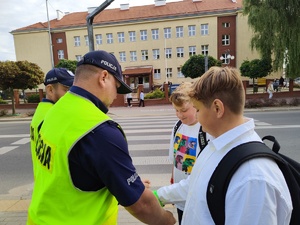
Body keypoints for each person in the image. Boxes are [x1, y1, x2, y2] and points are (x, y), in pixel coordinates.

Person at [27, 50, 176, 225]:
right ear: (103, 77)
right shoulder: (99, 130)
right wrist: (168, 219)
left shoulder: (53, 112)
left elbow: (71, 171)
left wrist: (120, 181)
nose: (116, 95)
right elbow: (141, 205)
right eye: (117, 87)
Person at [156, 67, 292, 224]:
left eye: (198, 109)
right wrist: (158, 195)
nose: (198, 118)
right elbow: (194, 186)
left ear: (217, 108)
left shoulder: (252, 179)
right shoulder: (217, 145)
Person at [167, 82, 212, 224]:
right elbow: (174, 159)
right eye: (176, 110)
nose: (179, 115)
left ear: (195, 105)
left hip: (198, 198)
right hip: (180, 196)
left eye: (184, 110)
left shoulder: (205, 130)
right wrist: (173, 182)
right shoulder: (178, 126)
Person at [29, 68, 74, 177]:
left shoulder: (42, 110)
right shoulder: (54, 115)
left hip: (43, 179)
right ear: (50, 90)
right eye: (66, 90)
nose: (72, 95)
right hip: (53, 186)